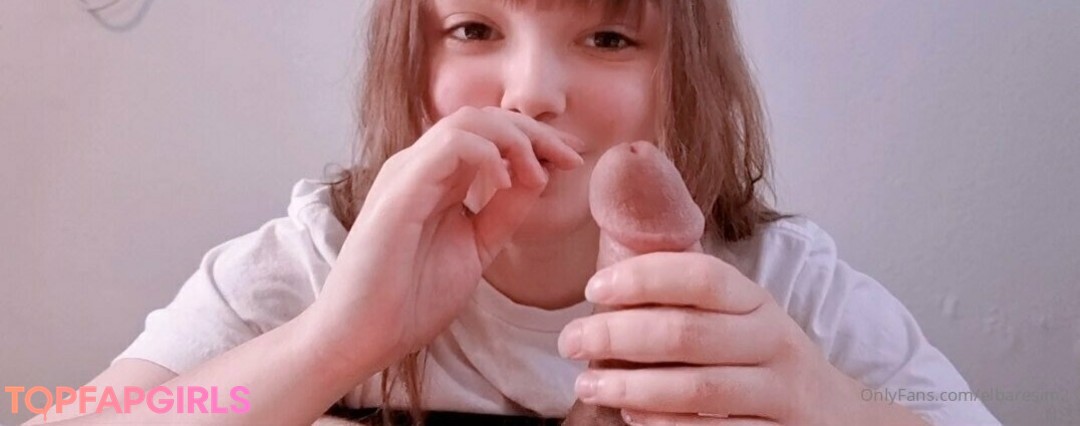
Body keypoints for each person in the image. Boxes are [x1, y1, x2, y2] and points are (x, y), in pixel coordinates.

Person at [29, 1, 1001, 425]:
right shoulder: (318, 256)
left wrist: (830, 406)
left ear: (687, 77)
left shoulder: (779, 286)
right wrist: (333, 343)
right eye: (474, 29)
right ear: (410, 65)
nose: (533, 90)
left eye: (609, 37)